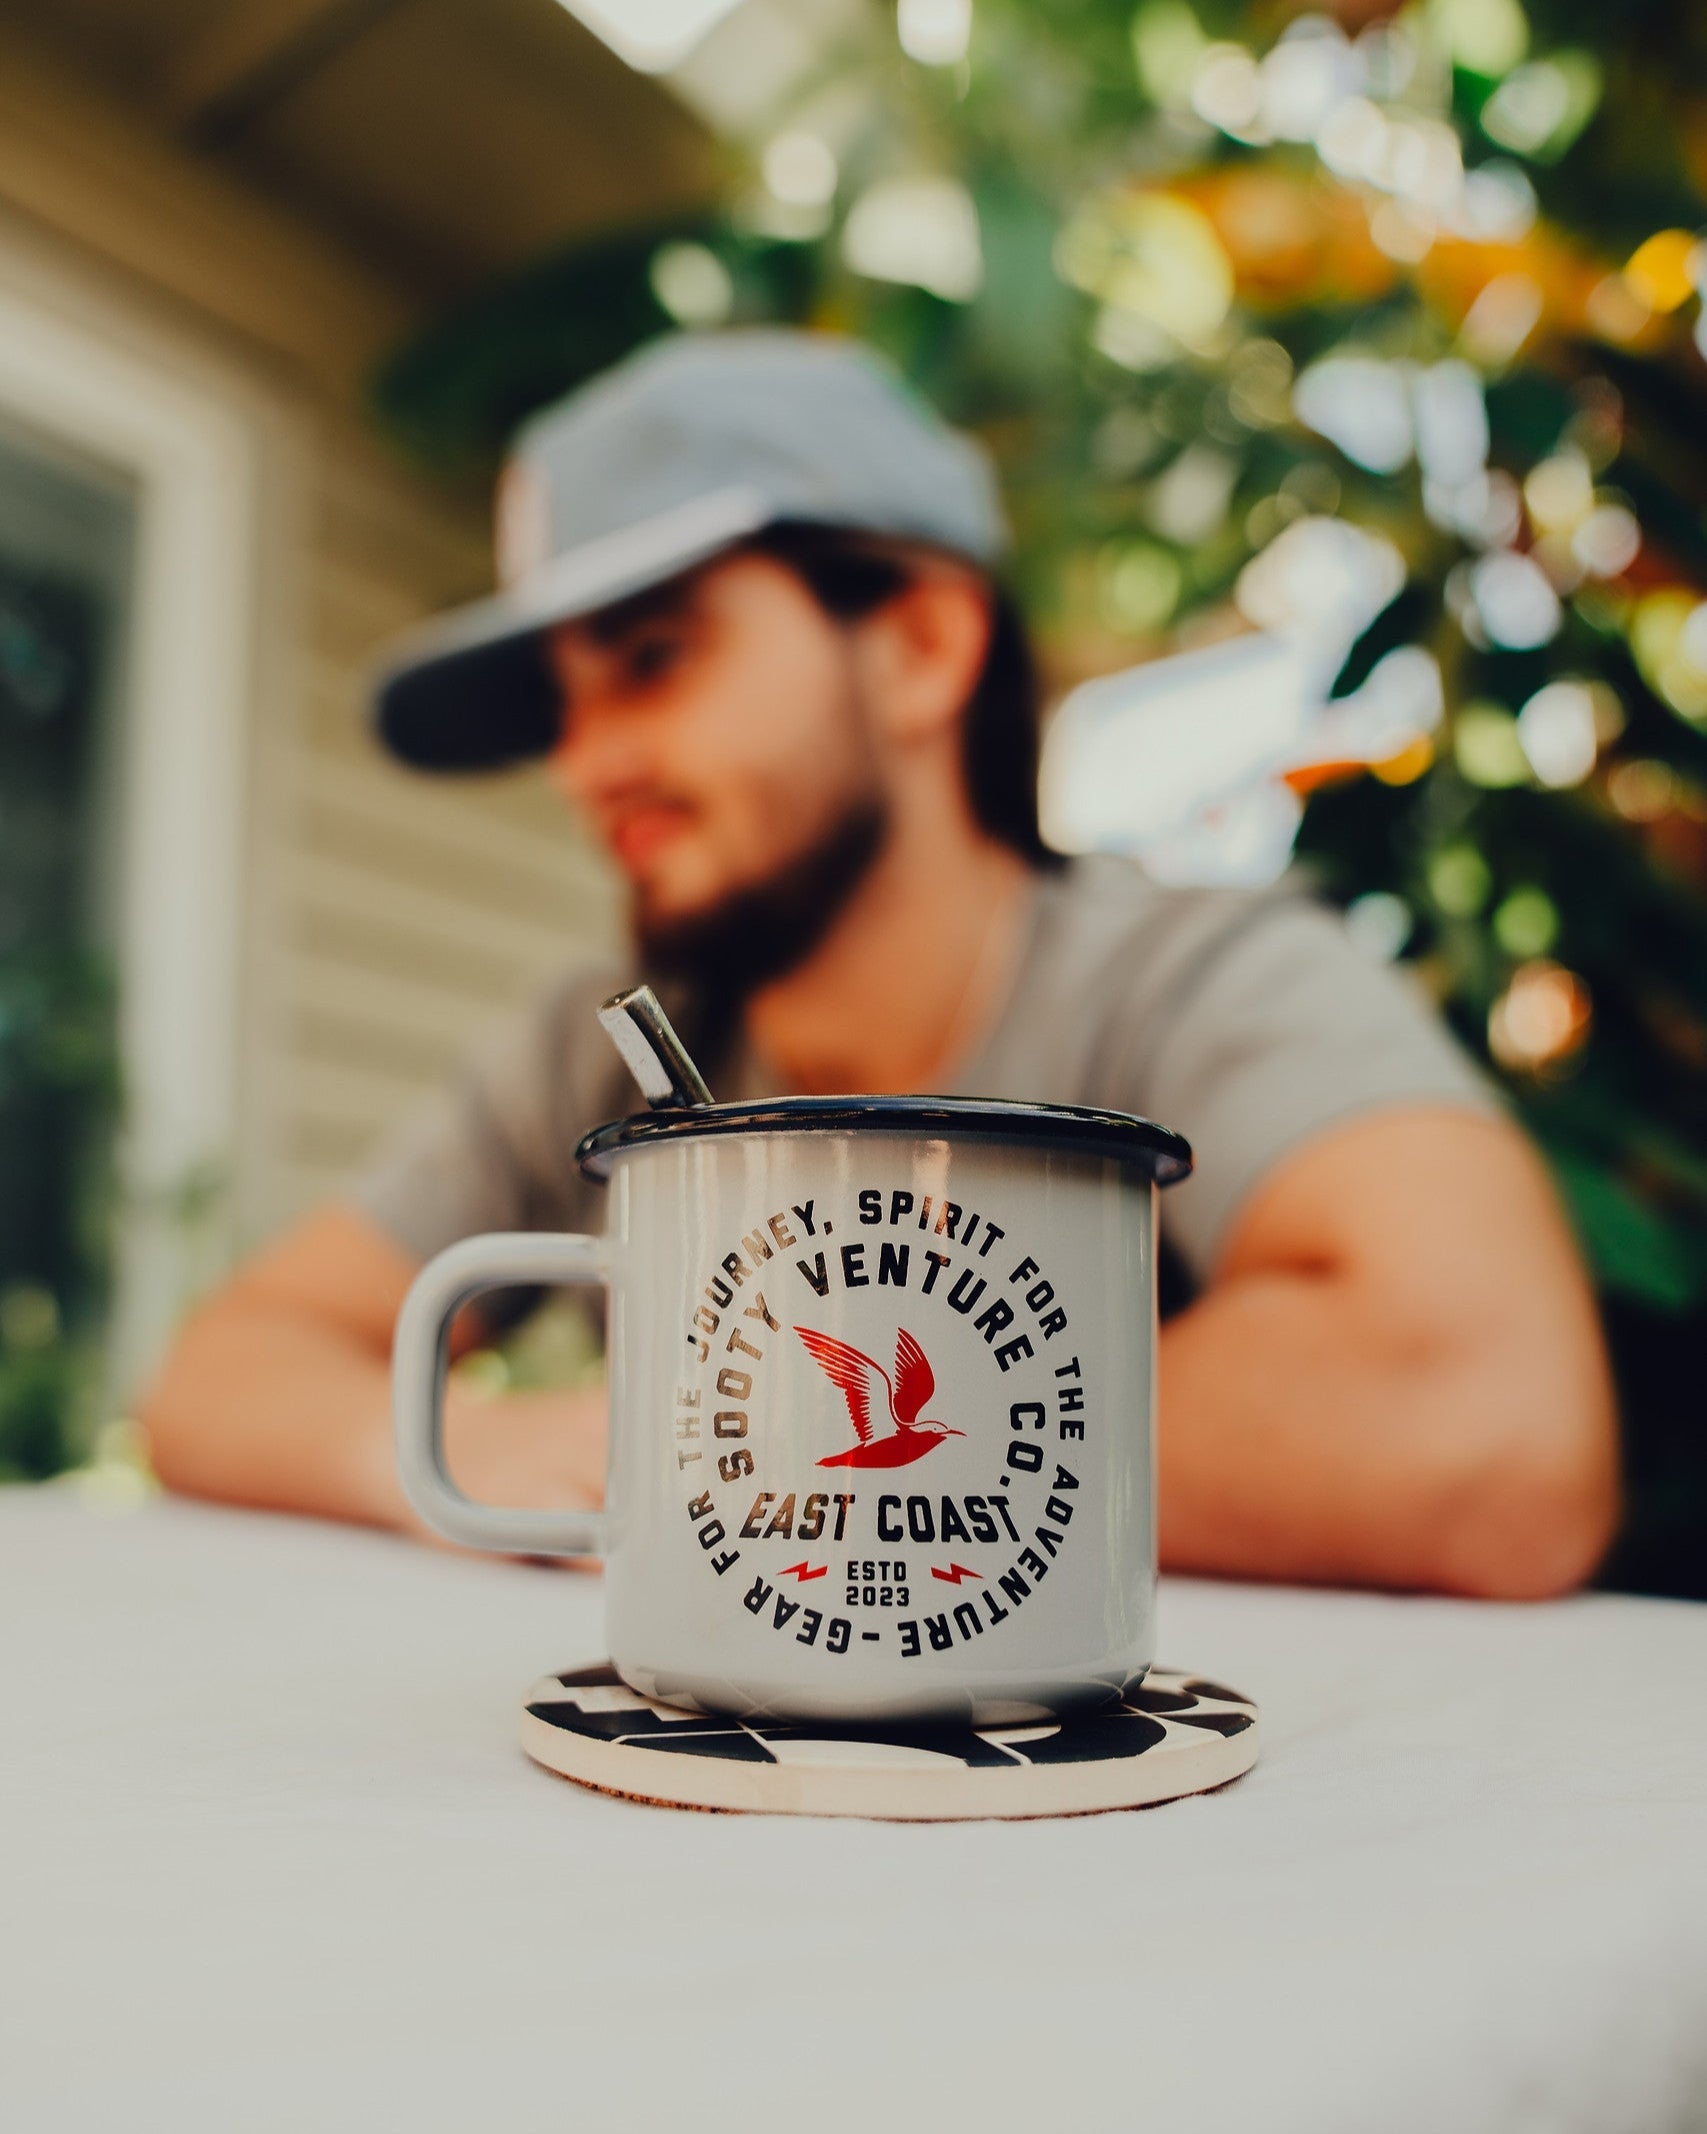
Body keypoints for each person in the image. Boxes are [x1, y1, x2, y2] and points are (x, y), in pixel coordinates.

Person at [142, 330, 1617, 1598]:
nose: (585, 764)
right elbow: (221, 1371)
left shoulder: (1194, 980)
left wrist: (716, 1452)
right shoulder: (597, 1050)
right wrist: (458, 1447)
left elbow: (1493, 1418)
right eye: (564, 705)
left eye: (652, 658)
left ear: (916, 645)